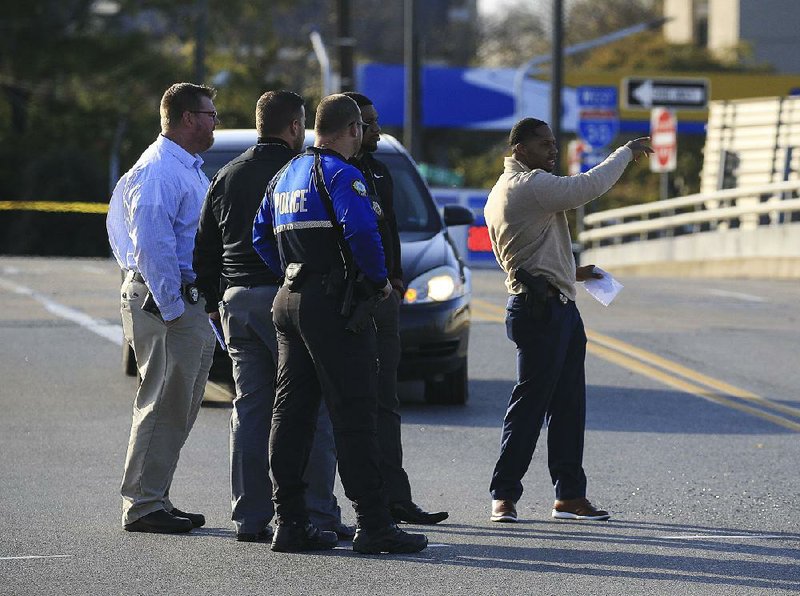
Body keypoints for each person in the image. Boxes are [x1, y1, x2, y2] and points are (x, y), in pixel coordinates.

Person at [252, 94, 427, 554]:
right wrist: (377, 283)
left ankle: (289, 521)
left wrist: (292, 274)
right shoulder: (341, 175)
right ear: (351, 129)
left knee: (290, 413)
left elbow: (259, 236)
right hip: (334, 306)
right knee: (355, 412)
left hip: (289, 301)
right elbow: (363, 233)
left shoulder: (283, 176)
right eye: (361, 131)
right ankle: (374, 523)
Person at [193, 90, 354, 543]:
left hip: (237, 300)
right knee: (311, 408)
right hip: (288, 296)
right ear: (295, 127)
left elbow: (204, 247)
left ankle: (249, 516)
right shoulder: (298, 173)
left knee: (250, 408)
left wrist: (213, 298)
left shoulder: (225, 175)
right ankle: (319, 512)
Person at [484, 117, 652, 524]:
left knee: (568, 405)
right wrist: (626, 151)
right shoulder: (527, 186)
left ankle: (569, 495)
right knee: (530, 407)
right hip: (539, 311)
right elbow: (586, 188)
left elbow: (525, 254)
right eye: (543, 145)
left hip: (555, 305)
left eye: (554, 143)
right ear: (520, 149)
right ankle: (503, 495)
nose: (552, 151)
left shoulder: (506, 190)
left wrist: (571, 272)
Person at [107, 82, 219, 534]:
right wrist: (173, 308)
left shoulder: (185, 167)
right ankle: (142, 505)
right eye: (210, 114)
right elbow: (151, 247)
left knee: (179, 405)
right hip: (164, 302)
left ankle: (156, 496)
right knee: (161, 404)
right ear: (188, 118)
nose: (215, 121)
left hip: (178, 301)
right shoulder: (159, 170)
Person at [342, 92, 448, 525]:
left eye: (376, 121)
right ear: (350, 127)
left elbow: (389, 232)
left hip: (383, 299)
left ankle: (395, 500)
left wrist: (397, 276)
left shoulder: (381, 172)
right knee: (342, 407)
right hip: (345, 303)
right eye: (368, 123)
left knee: (386, 401)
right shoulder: (332, 172)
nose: (377, 130)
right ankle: (326, 508)